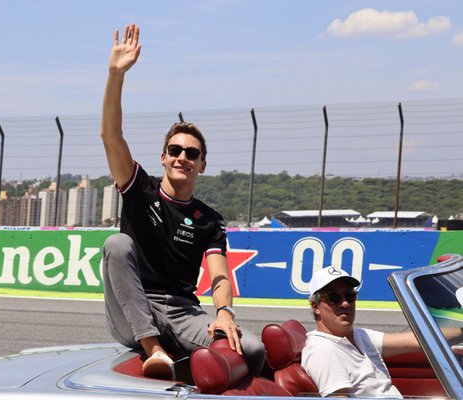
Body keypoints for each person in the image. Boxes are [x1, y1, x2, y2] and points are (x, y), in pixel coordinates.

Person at [100, 23, 265, 380]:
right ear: (163, 157)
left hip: (183, 312)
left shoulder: (209, 219)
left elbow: (219, 277)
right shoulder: (139, 187)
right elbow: (110, 136)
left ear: (202, 164)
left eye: (192, 153)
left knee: (253, 349)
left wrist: (224, 313)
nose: (182, 157)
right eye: (175, 150)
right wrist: (116, 75)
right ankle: (153, 349)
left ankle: (188, 363)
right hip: (133, 309)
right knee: (116, 243)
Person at [302, 266, 463, 398]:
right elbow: (339, 398)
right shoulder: (323, 349)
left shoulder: (360, 336)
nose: (345, 303)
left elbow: (418, 340)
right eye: (334, 297)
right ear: (316, 307)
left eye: (350, 296)